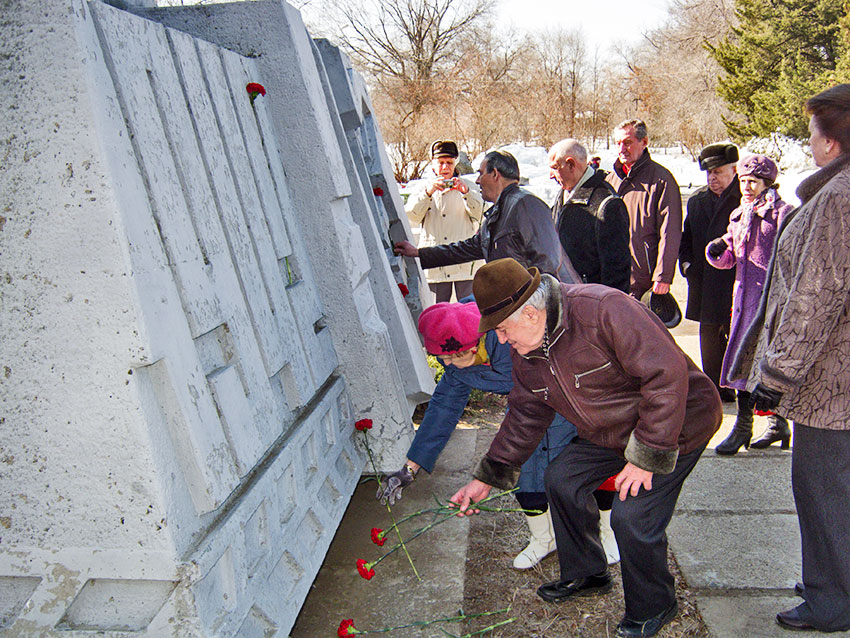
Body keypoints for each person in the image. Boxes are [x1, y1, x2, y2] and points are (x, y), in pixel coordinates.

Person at [451, 258, 721, 638]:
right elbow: (526, 414)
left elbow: (666, 377)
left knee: (632, 516)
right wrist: (487, 477)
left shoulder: (604, 311)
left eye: (501, 328)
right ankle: (588, 573)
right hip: (611, 432)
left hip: (674, 425)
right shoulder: (526, 348)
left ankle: (655, 604)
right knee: (561, 479)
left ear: (529, 313)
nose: (499, 339)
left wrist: (646, 457)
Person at [727, 84, 850, 632]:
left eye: (812, 133)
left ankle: (832, 599)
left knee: (823, 487)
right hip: (836, 373)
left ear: (830, 142)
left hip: (833, 381)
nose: (810, 143)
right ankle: (834, 575)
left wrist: (775, 376)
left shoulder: (838, 197)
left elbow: (816, 297)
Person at [377, 301, 619, 568]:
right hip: (522, 410)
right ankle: (544, 538)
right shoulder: (455, 361)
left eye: (451, 358)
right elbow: (443, 408)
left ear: (473, 345)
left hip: (566, 399)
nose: (446, 364)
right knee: (525, 473)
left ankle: (609, 531)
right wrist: (410, 468)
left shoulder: (509, 337)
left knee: (586, 466)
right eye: (440, 359)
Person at [706, 154, 793, 455]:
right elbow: (730, 256)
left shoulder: (783, 214)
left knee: (768, 363)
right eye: (743, 181)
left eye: (753, 182)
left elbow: (792, 255)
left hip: (770, 302)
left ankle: (778, 422)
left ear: (767, 183)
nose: (747, 187)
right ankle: (744, 425)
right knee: (743, 360)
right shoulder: (739, 214)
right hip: (743, 301)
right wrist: (718, 250)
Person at [394, 150, 580, 284]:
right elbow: (468, 248)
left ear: (495, 174)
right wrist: (418, 252)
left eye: (481, 174)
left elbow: (548, 263)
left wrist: (531, 306)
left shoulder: (526, 204)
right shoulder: (499, 211)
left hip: (544, 313)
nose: (476, 180)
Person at [679, 143, 741, 403]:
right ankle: (715, 387)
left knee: (735, 333)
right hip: (704, 279)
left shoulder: (744, 199)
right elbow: (687, 238)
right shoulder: (697, 201)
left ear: (734, 170)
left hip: (734, 280)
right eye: (709, 174)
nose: (713, 178)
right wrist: (687, 266)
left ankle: (738, 386)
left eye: (718, 172)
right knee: (709, 335)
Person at [606, 119, 683, 299]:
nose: (621, 149)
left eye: (627, 143)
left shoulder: (662, 181)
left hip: (645, 281)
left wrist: (663, 275)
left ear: (644, 142)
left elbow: (670, 231)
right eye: (618, 144)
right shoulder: (610, 181)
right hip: (614, 278)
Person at [405, 140, 485, 302]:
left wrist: (467, 193)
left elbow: (480, 215)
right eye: (440, 162)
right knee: (436, 314)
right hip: (435, 265)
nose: (445, 167)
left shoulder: (469, 186)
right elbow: (412, 217)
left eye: (449, 162)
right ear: (432, 164)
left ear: (455, 163)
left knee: (467, 314)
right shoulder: (423, 188)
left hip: (464, 264)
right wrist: (427, 194)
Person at [548, 139, 630, 292]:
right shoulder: (564, 193)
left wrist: (604, 311)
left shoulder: (607, 204)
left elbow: (617, 273)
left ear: (571, 165)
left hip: (591, 304)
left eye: (554, 168)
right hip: (567, 296)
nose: (551, 175)